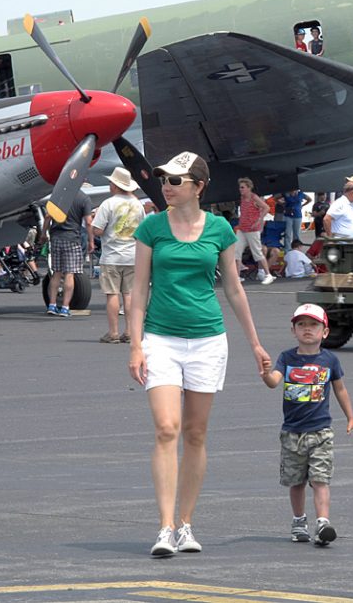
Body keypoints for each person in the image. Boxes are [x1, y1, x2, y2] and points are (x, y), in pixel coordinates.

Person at [128, 151, 273, 557]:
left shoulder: (220, 229)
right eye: (164, 180)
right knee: (166, 428)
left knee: (195, 433)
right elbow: (138, 291)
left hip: (208, 340)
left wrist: (255, 343)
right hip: (161, 338)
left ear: (199, 186)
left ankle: (186, 524)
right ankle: (164, 527)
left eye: (175, 181)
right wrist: (135, 344)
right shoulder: (151, 227)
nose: (167, 187)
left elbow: (233, 288)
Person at [259, 303, 353, 546]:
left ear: (324, 332)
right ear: (293, 330)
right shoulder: (287, 357)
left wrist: (351, 418)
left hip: (321, 431)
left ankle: (323, 523)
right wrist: (265, 373)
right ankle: (299, 521)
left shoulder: (330, 360)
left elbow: (340, 389)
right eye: (301, 325)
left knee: (320, 479)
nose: (307, 329)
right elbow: (274, 381)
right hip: (292, 432)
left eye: (313, 325)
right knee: (296, 482)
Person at [91, 167, 145, 343]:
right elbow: (143, 229)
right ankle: (130, 331)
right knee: (128, 294)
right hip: (132, 254)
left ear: (115, 185)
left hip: (112, 255)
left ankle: (113, 332)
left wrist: (93, 221)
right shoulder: (138, 205)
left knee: (112, 293)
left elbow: (97, 230)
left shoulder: (108, 204)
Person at [42, 189, 93, 317]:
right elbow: (88, 222)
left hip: (56, 237)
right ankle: (65, 307)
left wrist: (43, 233)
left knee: (57, 273)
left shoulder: (58, 195)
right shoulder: (84, 198)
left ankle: (52, 305)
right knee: (69, 274)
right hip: (72, 238)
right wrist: (91, 240)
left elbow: (48, 216)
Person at [234, 178, 275, 285]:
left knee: (257, 252)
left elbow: (266, 207)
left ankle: (268, 274)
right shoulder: (242, 198)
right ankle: (237, 277)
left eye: (242, 187)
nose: (240, 189)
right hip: (242, 229)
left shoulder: (254, 197)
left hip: (252, 230)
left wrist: (259, 220)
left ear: (248, 188)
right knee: (236, 252)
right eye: (240, 187)